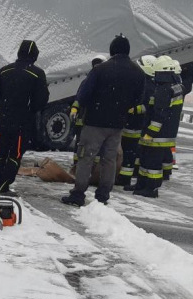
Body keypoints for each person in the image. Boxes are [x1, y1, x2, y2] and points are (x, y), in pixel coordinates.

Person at [61, 34, 144, 206]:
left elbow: (85, 92)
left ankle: (78, 194)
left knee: (86, 157)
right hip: (118, 124)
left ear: (112, 50)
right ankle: (103, 195)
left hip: (94, 123)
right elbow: (138, 99)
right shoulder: (138, 73)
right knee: (110, 159)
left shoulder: (100, 70)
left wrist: (77, 106)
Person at [0, 40, 49, 193]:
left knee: (0, 150)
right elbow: (41, 100)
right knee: (15, 154)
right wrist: (30, 110)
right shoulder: (37, 74)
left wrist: (2, 107)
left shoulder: (4, 70)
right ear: (35, 56)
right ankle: (4, 185)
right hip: (22, 122)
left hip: (3, 119)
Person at [133, 56, 183, 197]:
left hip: (158, 135)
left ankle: (151, 189)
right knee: (146, 160)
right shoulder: (175, 87)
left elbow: (159, 114)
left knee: (151, 164)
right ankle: (141, 185)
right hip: (167, 133)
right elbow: (153, 107)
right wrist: (137, 110)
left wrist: (150, 132)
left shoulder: (164, 89)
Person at [116, 55, 156, 187]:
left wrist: (132, 109)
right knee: (132, 151)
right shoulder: (150, 83)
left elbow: (145, 106)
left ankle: (124, 178)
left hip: (134, 124)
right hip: (137, 124)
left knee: (129, 151)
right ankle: (130, 174)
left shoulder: (146, 85)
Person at [70, 55, 106, 169]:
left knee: (85, 145)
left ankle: (83, 167)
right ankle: (82, 167)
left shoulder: (89, 80)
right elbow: (80, 97)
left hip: (88, 119)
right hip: (88, 119)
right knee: (87, 145)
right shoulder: (93, 81)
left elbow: (80, 97)